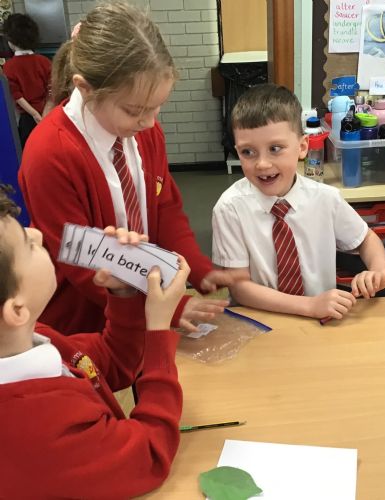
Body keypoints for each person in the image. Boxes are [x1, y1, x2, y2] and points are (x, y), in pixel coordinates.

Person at [19, 2, 243, 335]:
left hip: (144, 309)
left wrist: (198, 268)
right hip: (82, 327)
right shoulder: (49, 153)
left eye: (157, 107)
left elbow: (164, 208)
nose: (149, 122)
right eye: (134, 110)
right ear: (85, 88)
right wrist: (164, 307)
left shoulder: (145, 133)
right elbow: (82, 262)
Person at [0, 184, 186, 497]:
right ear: (17, 310)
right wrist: (158, 328)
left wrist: (123, 293)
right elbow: (149, 455)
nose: (37, 234)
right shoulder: (34, 427)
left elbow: (110, 364)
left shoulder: (31, 338)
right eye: (27, 245)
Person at [212, 83, 385, 320]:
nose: (262, 164)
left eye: (275, 148)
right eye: (247, 152)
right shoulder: (229, 209)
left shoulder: (326, 199)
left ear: (303, 147)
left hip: (321, 320)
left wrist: (378, 270)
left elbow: (366, 239)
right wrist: (309, 306)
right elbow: (239, 288)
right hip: (260, 319)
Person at [2, 13, 52, 148]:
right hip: (48, 114)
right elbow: (52, 89)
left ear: (11, 41)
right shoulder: (44, 61)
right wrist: (45, 112)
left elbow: (16, 95)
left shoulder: (9, 66)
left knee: (30, 149)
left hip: (27, 119)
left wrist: (34, 114)